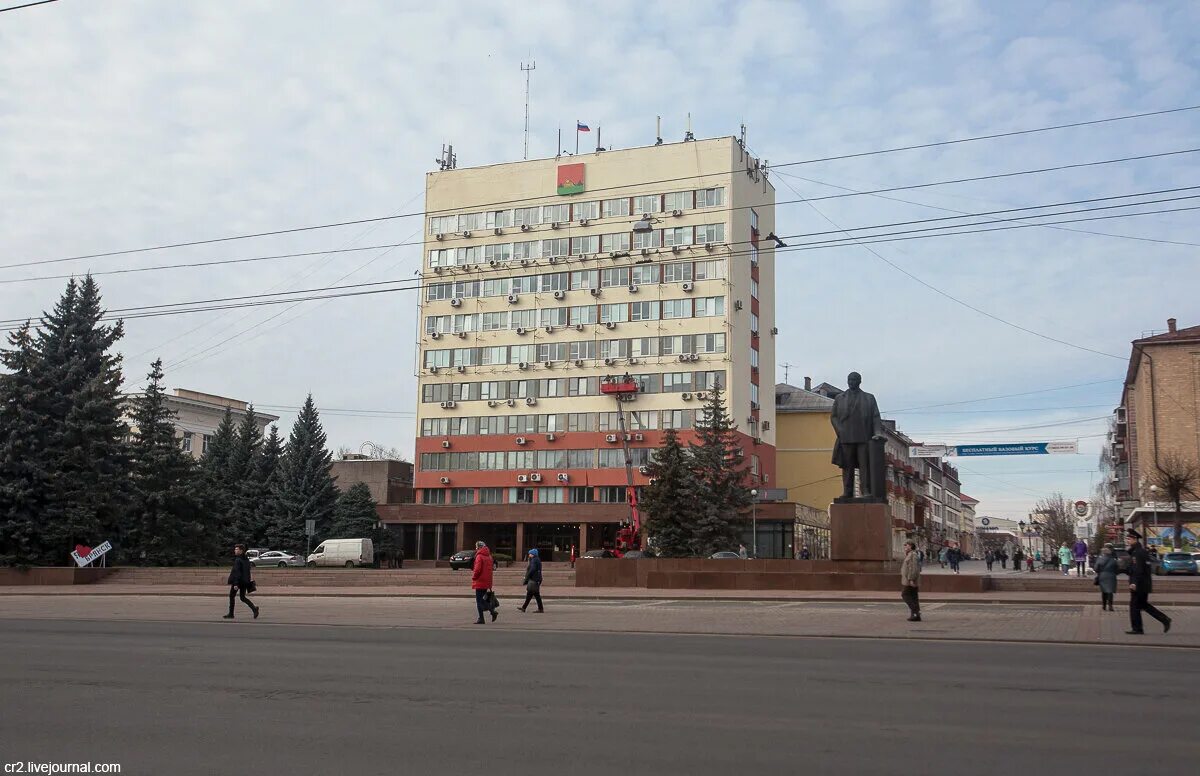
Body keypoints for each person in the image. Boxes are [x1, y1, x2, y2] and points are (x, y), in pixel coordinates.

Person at [1125, 530, 1171, 635]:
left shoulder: (1138, 552)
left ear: (1135, 539)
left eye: (1129, 539)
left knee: (1135, 606)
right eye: (1127, 539)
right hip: (1143, 584)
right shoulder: (1138, 551)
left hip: (1139, 584)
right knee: (1143, 605)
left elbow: (1138, 569)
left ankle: (1137, 628)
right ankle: (1165, 619)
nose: (1127, 541)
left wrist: (1134, 583)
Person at [224, 544, 259, 620]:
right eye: (235, 549)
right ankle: (254, 609)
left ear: (241, 551)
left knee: (231, 596)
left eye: (237, 549)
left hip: (238, 582)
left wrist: (236, 583)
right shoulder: (246, 559)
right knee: (242, 597)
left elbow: (237, 572)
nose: (235, 550)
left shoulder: (238, 560)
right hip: (244, 582)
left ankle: (231, 614)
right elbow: (247, 571)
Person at [471, 541, 498, 624]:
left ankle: (481, 618)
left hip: (480, 581)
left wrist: (474, 577)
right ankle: (492, 611)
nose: (475, 548)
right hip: (487, 581)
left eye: (476, 547)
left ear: (478, 547)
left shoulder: (479, 556)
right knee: (483, 600)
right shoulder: (489, 556)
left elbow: (477, 569)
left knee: (479, 601)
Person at [900, 540, 921, 622]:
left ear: (911, 546)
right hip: (910, 579)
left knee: (905, 595)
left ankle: (916, 612)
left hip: (910, 580)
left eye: (906, 545)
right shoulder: (910, 554)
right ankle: (916, 615)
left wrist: (911, 579)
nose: (905, 546)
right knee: (913, 597)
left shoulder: (912, 555)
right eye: (904, 545)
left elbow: (913, 568)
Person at [1094, 543, 1118, 612]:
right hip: (1111, 576)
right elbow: (1117, 568)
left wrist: (1099, 572)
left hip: (1102, 576)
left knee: (1104, 591)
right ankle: (1110, 606)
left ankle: (1104, 606)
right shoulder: (1113, 559)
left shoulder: (1100, 559)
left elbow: (1096, 568)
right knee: (1110, 591)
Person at [519, 548, 544, 613]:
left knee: (533, 594)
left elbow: (532, 569)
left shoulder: (534, 560)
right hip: (536, 579)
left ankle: (539, 609)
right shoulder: (536, 559)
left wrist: (527, 577)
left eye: (530, 553)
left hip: (534, 579)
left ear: (533, 554)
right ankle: (524, 607)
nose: (529, 555)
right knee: (533, 594)